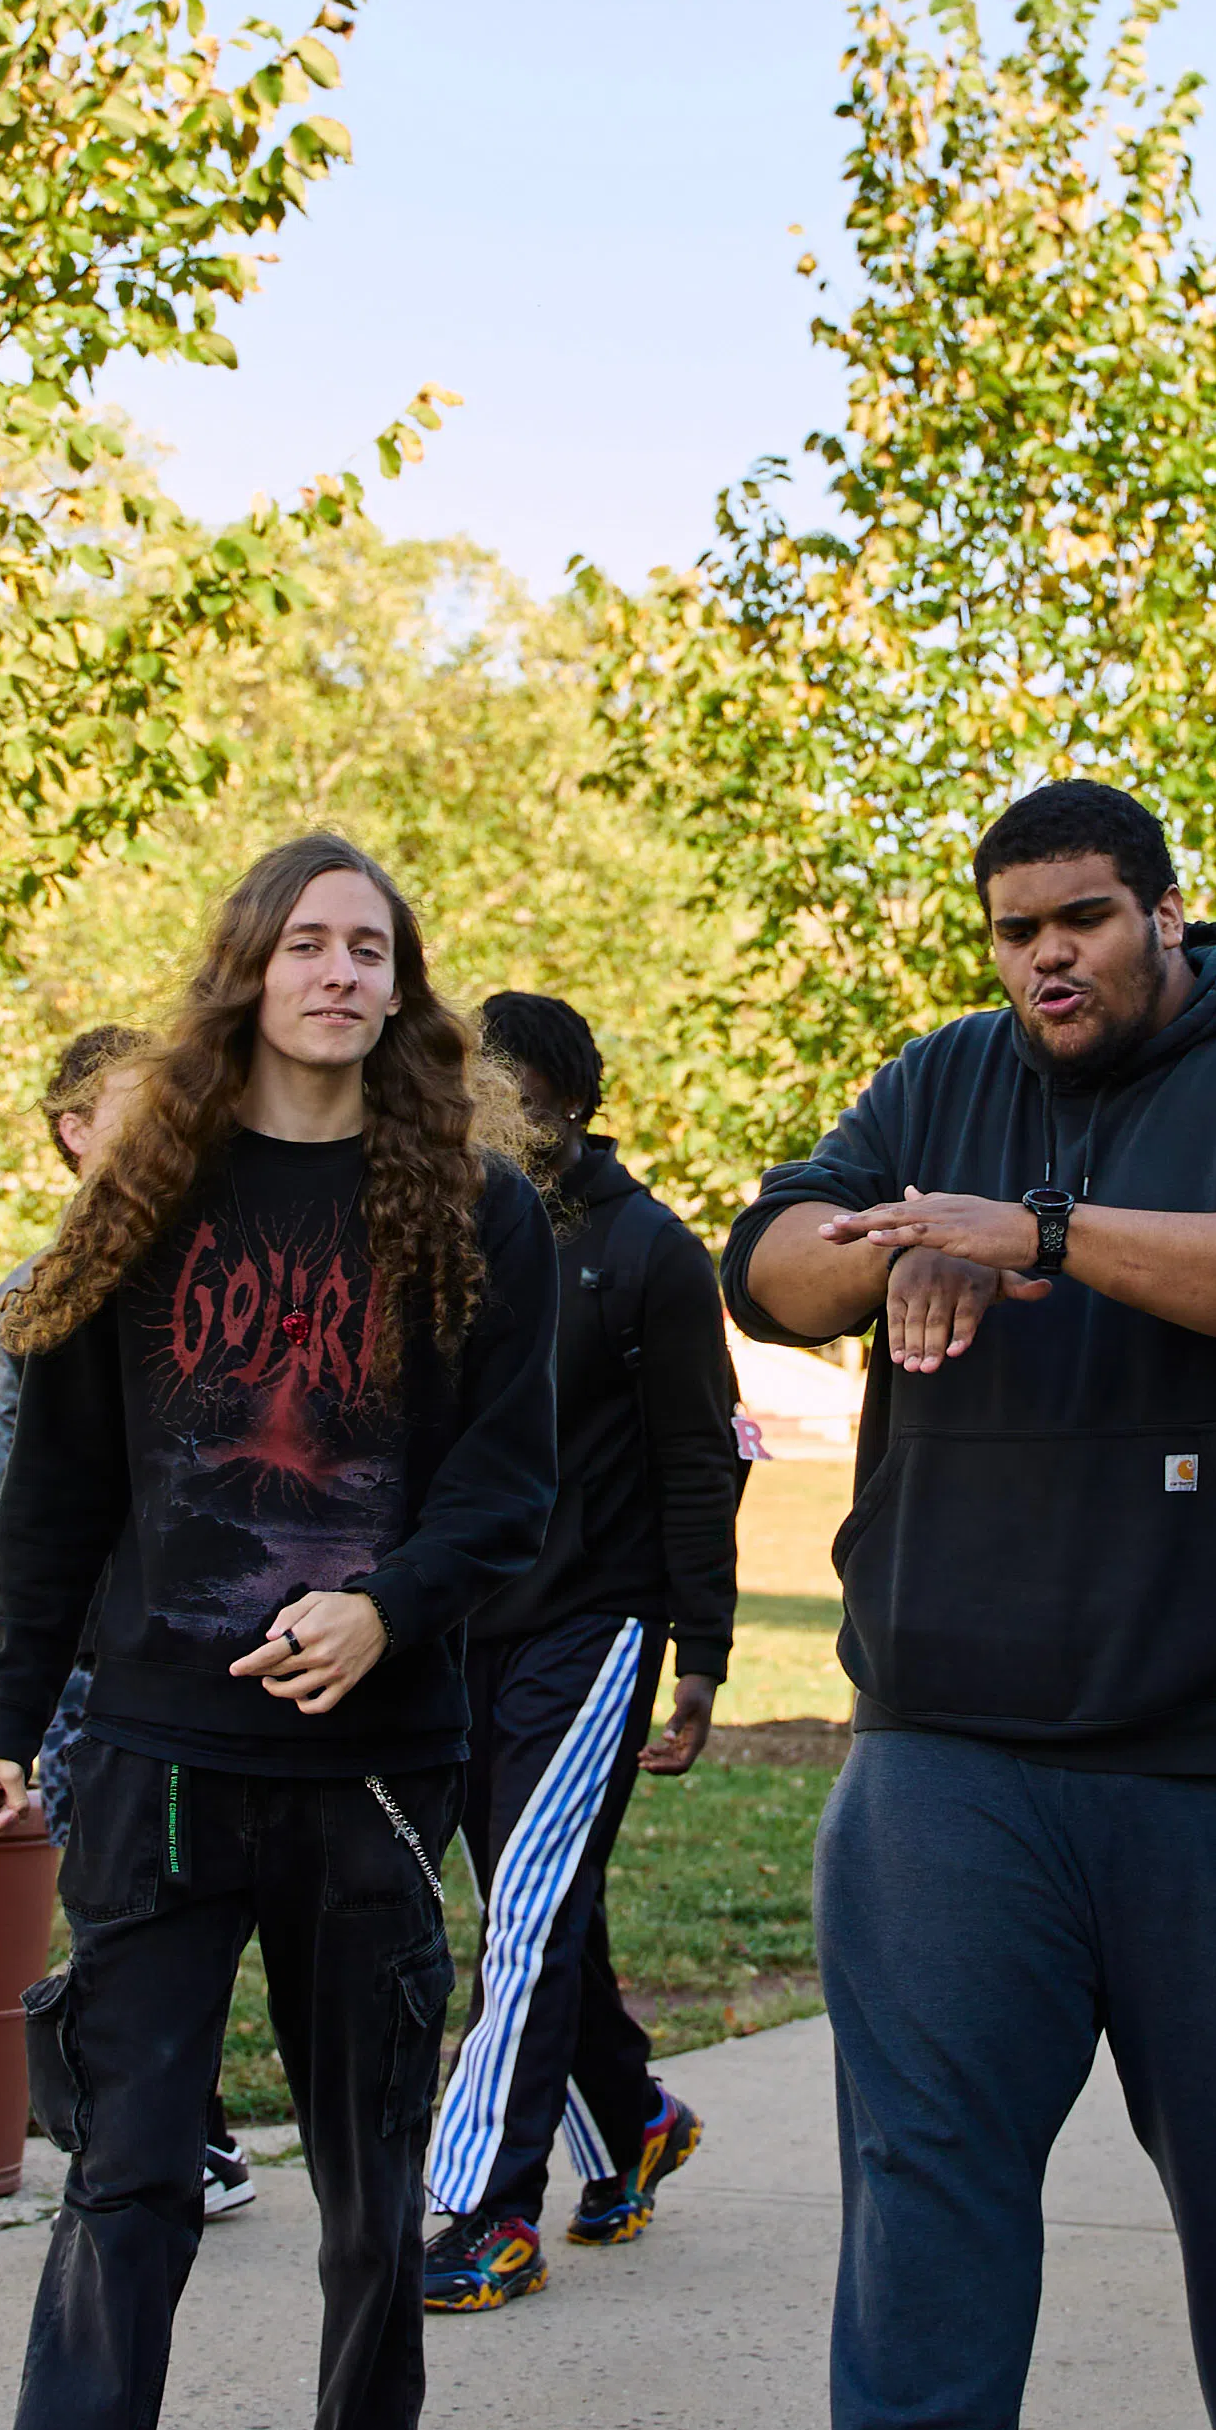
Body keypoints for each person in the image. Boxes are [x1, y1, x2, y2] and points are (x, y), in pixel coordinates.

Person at [724, 776, 1216, 2430]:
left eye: (1086, 920)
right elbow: (770, 1261)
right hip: (951, 1736)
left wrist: (1030, 1233)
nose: (1048, 956)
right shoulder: (942, 1079)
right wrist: (884, 1257)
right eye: (1017, 926)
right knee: (930, 2161)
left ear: (1167, 917)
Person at [0, 838, 559, 2430]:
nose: (339, 971)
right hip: (153, 1757)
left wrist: (381, 1610)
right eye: (306, 941)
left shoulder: (469, 1210)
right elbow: (54, 1500)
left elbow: (507, 1493)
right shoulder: (139, 1202)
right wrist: (0, 1724)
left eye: (371, 946)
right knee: (125, 2167)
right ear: (247, 972)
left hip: (369, 1767)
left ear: (404, 986)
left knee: (372, 2175)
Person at [415, 989, 745, 2309]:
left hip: (594, 1625)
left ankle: (485, 2209)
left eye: (516, 1096)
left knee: (528, 1912)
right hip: (452, 1626)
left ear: (567, 1102)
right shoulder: (443, 1231)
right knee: (537, 1903)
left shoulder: (650, 1254)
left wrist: (703, 1657)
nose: (493, 1118)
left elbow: (694, 1461)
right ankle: (633, 2116)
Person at [0, 1024, 253, 2226]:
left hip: (199, 1641)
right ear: (73, 1131)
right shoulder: (34, 1297)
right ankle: (165, 2132)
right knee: (113, 1889)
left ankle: (170, 2129)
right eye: (134, 1104)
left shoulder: (225, 1265)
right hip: (76, 1648)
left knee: (172, 1885)